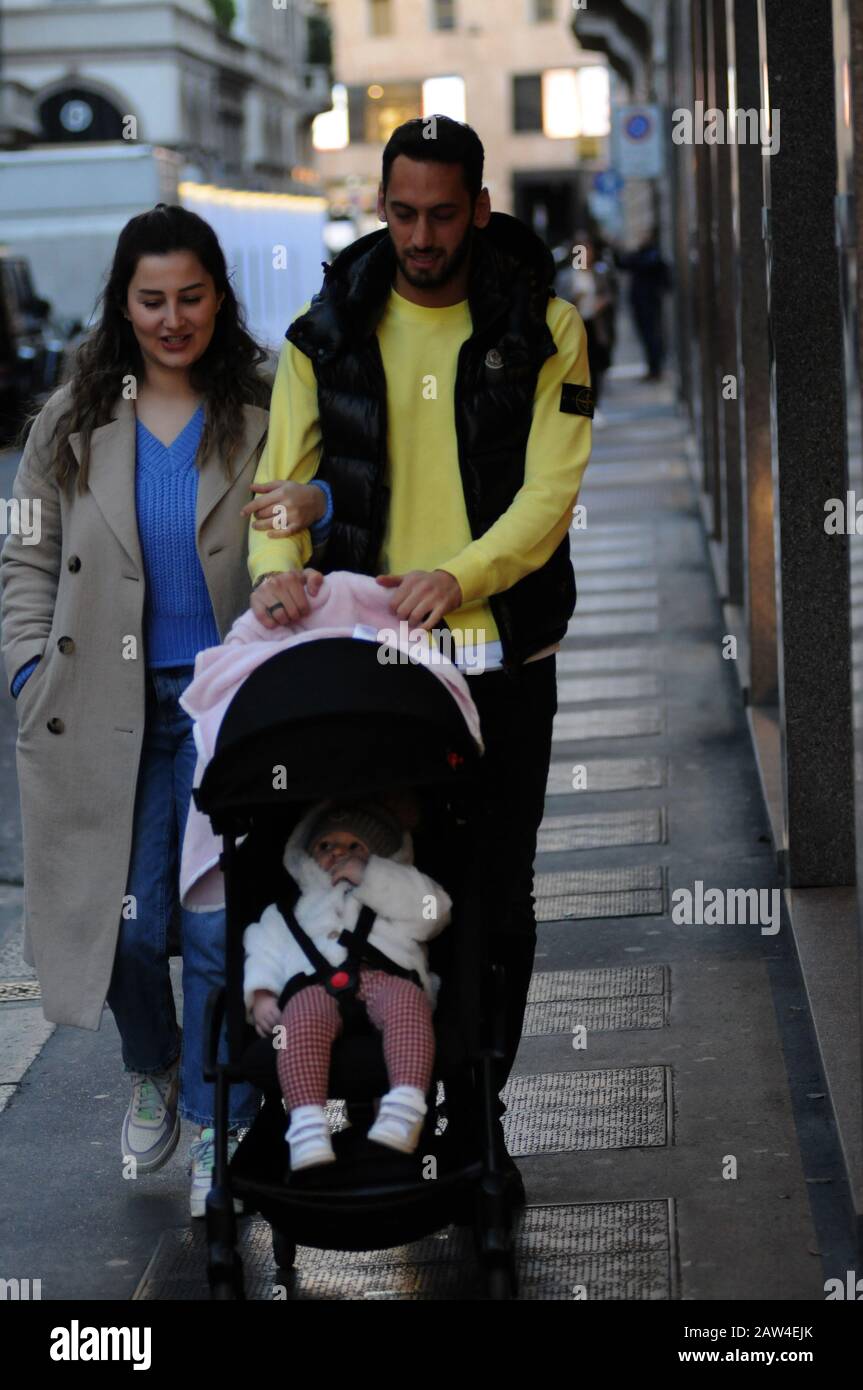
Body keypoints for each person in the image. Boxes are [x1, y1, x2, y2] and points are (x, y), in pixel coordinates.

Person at [242, 116, 593, 1201]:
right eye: (402, 213)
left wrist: (464, 573)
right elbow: (281, 480)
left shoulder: (540, 328)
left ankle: (476, 1118)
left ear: (478, 208)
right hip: (371, 660)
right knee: (385, 869)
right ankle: (389, 1085)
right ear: (382, 204)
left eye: (443, 214)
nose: (421, 235)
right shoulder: (325, 332)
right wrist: (274, 567)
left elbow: (548, 490)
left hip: (498, 650)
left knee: (497, 888)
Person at [0, 203, 326, 1217]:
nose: (172, 317)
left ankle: (214, 1114)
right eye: (152, 299)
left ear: (218, 296)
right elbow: (26, 554)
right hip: (106, 706)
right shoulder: (72, 415)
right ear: (124, 303)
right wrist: (25, 672)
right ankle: (150, 1066)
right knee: (128, 926)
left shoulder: (265, 399)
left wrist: (318, 517)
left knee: (220, 927)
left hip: (228, 702)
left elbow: (324, 510)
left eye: (191, 296)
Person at [244, 799, 451, 1170]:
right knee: (300, 1021)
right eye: (326, 846)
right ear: (306, 856)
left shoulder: (393, 891)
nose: (339, 853)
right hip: (313, 989)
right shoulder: (293, 909)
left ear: (380, 853)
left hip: (388, 977)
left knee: (408, 1004)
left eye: (354, 846)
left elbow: (434, 913)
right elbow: (264, 946)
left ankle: (405, 1105)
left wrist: (374, 875)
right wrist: (261, 992)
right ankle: (306, 1124)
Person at [554, 229, 616, 417]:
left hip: (595, 326)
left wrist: (602, 302)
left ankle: (594, 406)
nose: (584, 254)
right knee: (574, 368)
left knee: (594, 367)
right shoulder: (566, 276)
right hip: (575, 326)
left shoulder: (599, 273)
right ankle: (578, 412)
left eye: (587, 250)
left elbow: (611, 295)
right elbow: (557, 300)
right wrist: (575, 299)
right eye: (580, 250)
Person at [612, 227, 672, 381]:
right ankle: (652, 369)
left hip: (650, 303)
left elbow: (640, 264)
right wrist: (615, 249)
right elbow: (622, 263)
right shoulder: (640, 254)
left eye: (644, 235)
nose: (641, 238)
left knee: (652, 336)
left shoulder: (653, 254)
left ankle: (655, 369)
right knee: (645, 337)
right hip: (639, 302)